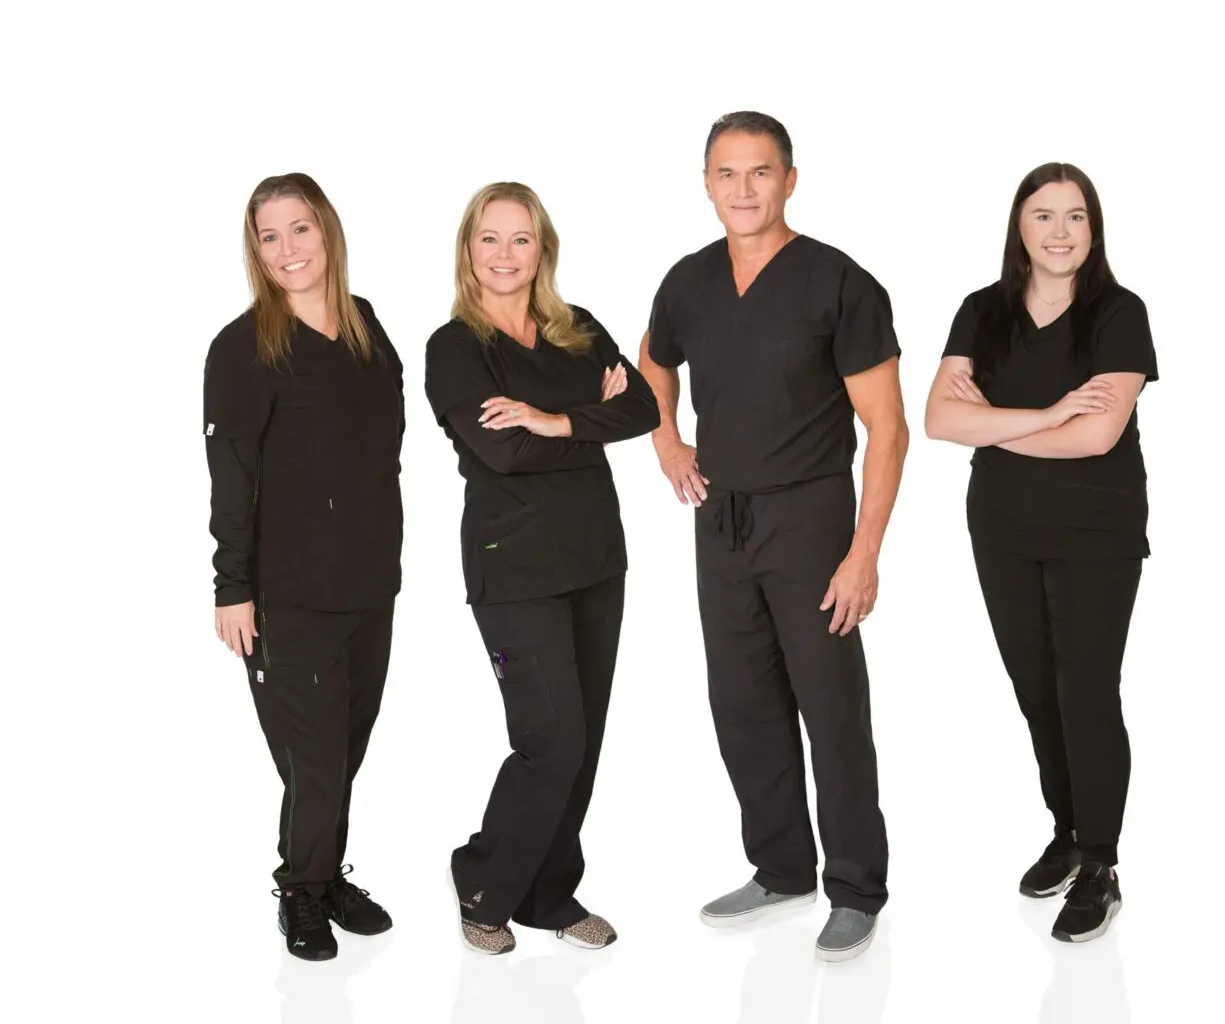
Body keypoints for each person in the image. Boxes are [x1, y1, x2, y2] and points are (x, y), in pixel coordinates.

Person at [638, 112, 908, 963]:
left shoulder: (839, 283)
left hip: (812, 518)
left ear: (791, 179)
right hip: (721, 518)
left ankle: (857, 889)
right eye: (727, 173)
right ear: (706, 182)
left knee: (830, 707)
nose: (743, 189)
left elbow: (889, 430)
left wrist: (863, 553)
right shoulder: (687, 282)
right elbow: (653, 362)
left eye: (760, 172)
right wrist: (669, 441)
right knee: (742, 703)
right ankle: (782, 867)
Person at [924, 162, 1158, 943]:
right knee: (1036, 692)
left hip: (1097, 531)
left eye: (1077, 217)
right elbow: (939, 421)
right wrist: (1051, 410)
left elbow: (1099, 435)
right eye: (1045, 216)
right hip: (1003, 529)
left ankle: (1100, 861)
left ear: (1094, 230)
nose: (1061, 232)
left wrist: (1001, 419)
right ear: (1019, 226)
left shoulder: (1118, 314)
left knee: (1085, 692)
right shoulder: (980, 312)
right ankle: (1066, 829)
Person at [425, 182, 660, 956]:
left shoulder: (576, 328)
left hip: (595, 558)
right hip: (514, 567)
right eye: (488, 239)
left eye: (520, 239)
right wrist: (589, 421)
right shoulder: (454, 348)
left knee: (583, 738)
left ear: (543, 250)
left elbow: (645, 410)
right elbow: (499, 449)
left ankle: (549, 893)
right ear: (468, 251)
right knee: (549, 739)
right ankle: (485, 882)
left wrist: (553, 419)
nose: (504, 254)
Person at [203, 173, 404, 961]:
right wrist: (233, 589)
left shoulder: (365, 328)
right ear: (256, 250)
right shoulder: (243, 348)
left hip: (368, 585)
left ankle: (323, 878)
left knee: (346, 747)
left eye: (300, 229)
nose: (288, 249)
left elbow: (381, 451)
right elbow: (232, 477)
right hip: (287, 597)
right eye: (269, 236)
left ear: (328, 231)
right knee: (312, 758)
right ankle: (299, 889)